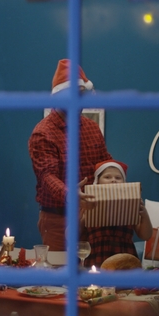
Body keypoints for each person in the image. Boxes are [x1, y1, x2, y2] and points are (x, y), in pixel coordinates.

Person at [28, 59, 112, 251]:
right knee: (60, 274)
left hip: (93, 218)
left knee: (92, 275)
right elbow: (47, 176)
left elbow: (105, 161)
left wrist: (120, 186)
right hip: (59, 219)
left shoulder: (91, 127)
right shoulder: (43, 133)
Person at [80, 159, 153, 268]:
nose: (113, 180)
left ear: (124, 183)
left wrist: (144, 213)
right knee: (97, 284)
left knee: (125, 284)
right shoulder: (89, 203)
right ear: (97, 181)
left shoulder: (130, 203)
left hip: (124, 255)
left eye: (118, 178)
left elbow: (146, 235)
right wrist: (84, 216)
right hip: (97, 253)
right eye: (107, 177)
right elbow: (72, 234)